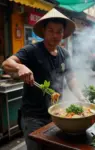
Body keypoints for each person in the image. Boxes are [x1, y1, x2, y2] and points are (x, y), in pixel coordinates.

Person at [2, 9, 87, 150]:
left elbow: (71, 78)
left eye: (59, 31)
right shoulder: (32, 50)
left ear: (64, 33)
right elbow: (6, 63)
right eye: (51, 30)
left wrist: (81, 97)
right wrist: (19, 67)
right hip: (33, 116)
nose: (55, 35)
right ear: (43, 30)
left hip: (56, 114)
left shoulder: (64, 54)